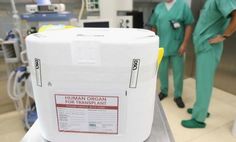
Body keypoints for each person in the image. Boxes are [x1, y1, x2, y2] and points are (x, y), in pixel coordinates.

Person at [182, 0, 236, 128]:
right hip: (203, 46)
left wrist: (224, 36)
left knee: (204, 83)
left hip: (209, 47)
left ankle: (198, 119)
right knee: (201, 82)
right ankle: (200, 109)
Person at [149, 0, 194, 108]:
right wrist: (153, 43)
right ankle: (164, 91)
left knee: (178, 72)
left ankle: (178, 96)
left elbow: (189, 25)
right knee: (162, 71)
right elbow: (154, 26)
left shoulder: (182, 6)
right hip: (162, 46)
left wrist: (184, 44)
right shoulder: (159, 7)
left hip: (177, 46)